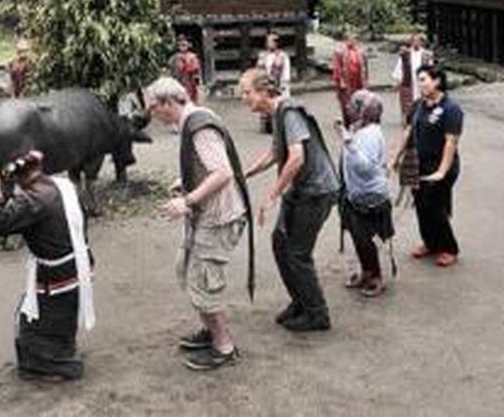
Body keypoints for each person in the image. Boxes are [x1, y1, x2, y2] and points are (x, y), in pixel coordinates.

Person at [145, 77, 253, 371]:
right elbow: (211, 166)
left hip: (218, 217)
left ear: (169, 102)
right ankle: (210, 331)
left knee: (202, 281)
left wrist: (188, 200)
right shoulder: (194, 120)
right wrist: (188, 180)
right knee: (188, 269)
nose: (153, 114)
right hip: (207, 215)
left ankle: (224, 347)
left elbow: (222, 173)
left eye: (155, 108)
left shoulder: (199, 126)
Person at [0, 151, 95, 382]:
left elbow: (0, 224)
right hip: (79, 265)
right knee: (59, 317)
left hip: (56, 276)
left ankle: (57, 365)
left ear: (18, 179)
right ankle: (63, 350)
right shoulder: (64, 185)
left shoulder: (33, 199)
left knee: (31, 326)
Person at [241, 69, 339, 331]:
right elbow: (276, 152)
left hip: (316, 190)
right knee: (280, 242)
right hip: (301, 190)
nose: (243, 98)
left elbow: (297, 157)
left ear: (263, 91)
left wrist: (272, 195)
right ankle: (301, 301)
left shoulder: (289, 112)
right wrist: (245, 174)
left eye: (247, 92)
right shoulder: (277, 114)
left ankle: (318, 315)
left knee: (298, 253)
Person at [391, 65, 464, 267]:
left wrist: (441, 171)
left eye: (423, 79)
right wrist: (395, 157)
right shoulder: (418, 105)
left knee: (436, 207)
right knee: (421, 206)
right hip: (417, 164)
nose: (420, 84)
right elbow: (407, 132)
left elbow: (451, 142)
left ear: (437, 81)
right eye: (419, 80)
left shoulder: (451, 109)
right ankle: (430, 243)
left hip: (441, 166)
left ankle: (449, 248)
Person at [335, 90, 394, 297]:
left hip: (369, 196)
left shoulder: (370, 134)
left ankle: (376, 276)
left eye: (354, 105)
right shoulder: (360, 127)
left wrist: (347, 141)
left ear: (364, 111)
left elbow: (364, 167)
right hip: (356, 193)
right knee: (358, 238)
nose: (348, 108)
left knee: (366, 240)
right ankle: (367, 271)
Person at [256, 33, 292, 133]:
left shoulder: (282, 56)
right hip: (266, 82)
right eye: (268, 41)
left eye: (271, 41)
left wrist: (284, 83)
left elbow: (285, 72)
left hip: (279, 83)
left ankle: (279, 126)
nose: (269, 44)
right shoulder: (263, 55)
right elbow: (259, 69)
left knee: (279, 105)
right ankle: (266, 126)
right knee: (265, 105)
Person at [392, 34, 435, 118]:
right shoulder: (405, 54)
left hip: (422, 82)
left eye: (418, 41)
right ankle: (409, 118)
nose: (416, 43)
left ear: (422, 42)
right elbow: (400, 67)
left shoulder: (427, 54)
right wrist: (398, 81)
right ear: (411, 42)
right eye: (414, 41)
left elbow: (431, 69)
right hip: (409, 81)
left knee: (424, 99)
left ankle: (423, 116)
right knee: (408, 101)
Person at [332, 32, 369, 125]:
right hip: (347, 79)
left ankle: (358, 116)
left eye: (354, 39)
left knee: (359, 98)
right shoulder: (339, 52)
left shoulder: (360, 52)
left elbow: (365, 66)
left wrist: (366, 80)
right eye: (350, 39)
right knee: (346, 100)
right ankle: (347, 119)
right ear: (345, 40)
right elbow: (337, 67)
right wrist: (340, 80)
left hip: (358, 79)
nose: (353, 41)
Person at [168, 34, 203, 104]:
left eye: (184, 45)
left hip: (189, 81)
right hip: (178, 80)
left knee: (190, 98)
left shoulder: (192, 57)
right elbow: (171, 70)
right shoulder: (174, 58)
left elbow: (196, 71)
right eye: (181, 45)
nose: (182, 47)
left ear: (188, 45)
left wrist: (197, 81)